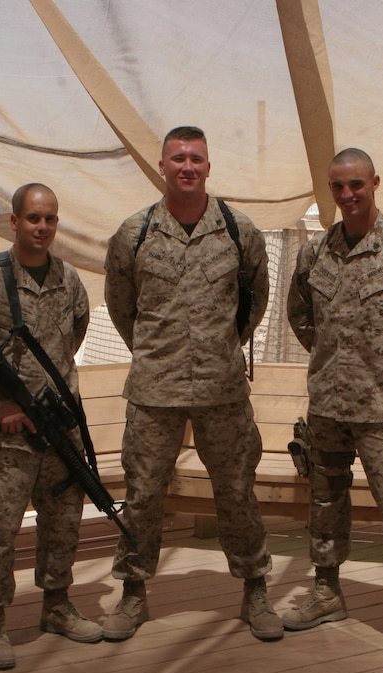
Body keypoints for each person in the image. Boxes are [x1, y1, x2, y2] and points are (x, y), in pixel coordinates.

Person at [103, 126, 280, 641]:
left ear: (208, 166)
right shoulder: (133, 233)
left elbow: (254, 299)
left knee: (237, 491)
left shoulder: (237, 229)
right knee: (143, 495)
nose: (187, 166)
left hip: (222, 391)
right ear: (161, 166)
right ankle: (133, 595)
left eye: (196, 158)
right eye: (177, 158)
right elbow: (121, 306)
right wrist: (158, 350)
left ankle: (255, 590)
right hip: (154, 391)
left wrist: (223, 345)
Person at [285, 148, 383, 659]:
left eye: (357, 184)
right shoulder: (315, 253)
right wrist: (335, 359)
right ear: (330, 191)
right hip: (328, 406)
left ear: (374, 182)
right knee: (326, 501)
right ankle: (327, 590)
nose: (348, 195)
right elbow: (301, 316)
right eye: (338, 187)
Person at [0, 183, 94, 671]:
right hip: (9, 434)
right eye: (33, 218)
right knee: (0, 526)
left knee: (64, 522)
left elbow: (72, 338)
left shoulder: (69, 279)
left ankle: (56, 605)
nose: (42, 228)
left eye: (50, 219)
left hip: (59, 427)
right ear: (13, 222)